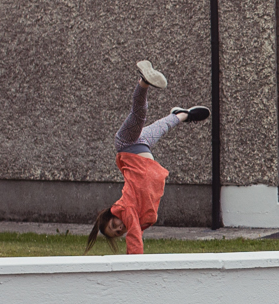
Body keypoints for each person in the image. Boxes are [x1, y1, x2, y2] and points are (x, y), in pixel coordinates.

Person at [85, 61, 209, 254]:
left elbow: (134, 237)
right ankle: (182, 114)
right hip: (142, 147)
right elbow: (138, 229)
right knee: (163, 127)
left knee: (138, 115)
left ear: (111, 216)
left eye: (113, 226)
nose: (119, 228)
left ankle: (144, 81)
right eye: (117, 233)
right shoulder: (138, 217)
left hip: (127, 145)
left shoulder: (125, 210)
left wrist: (135, 263)